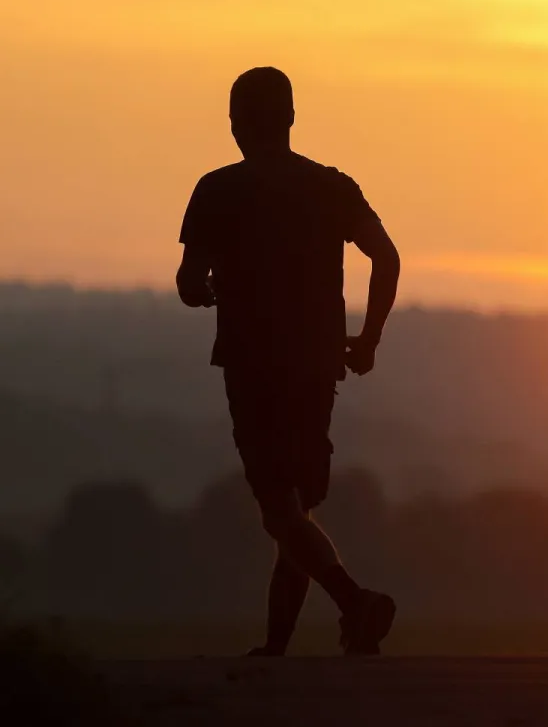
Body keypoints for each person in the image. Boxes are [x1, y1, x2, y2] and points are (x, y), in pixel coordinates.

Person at [176, 67, 401, 656]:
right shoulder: (332, 187)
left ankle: (355, 602)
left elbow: (188, 280)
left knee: (280, 510)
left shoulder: (216, 190)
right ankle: (280, 645)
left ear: (235, 123)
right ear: (292, 118)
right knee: (293, 510)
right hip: (317, 367)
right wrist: (368, 338)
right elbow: (387, 257)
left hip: (253, 369)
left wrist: (202, 289)